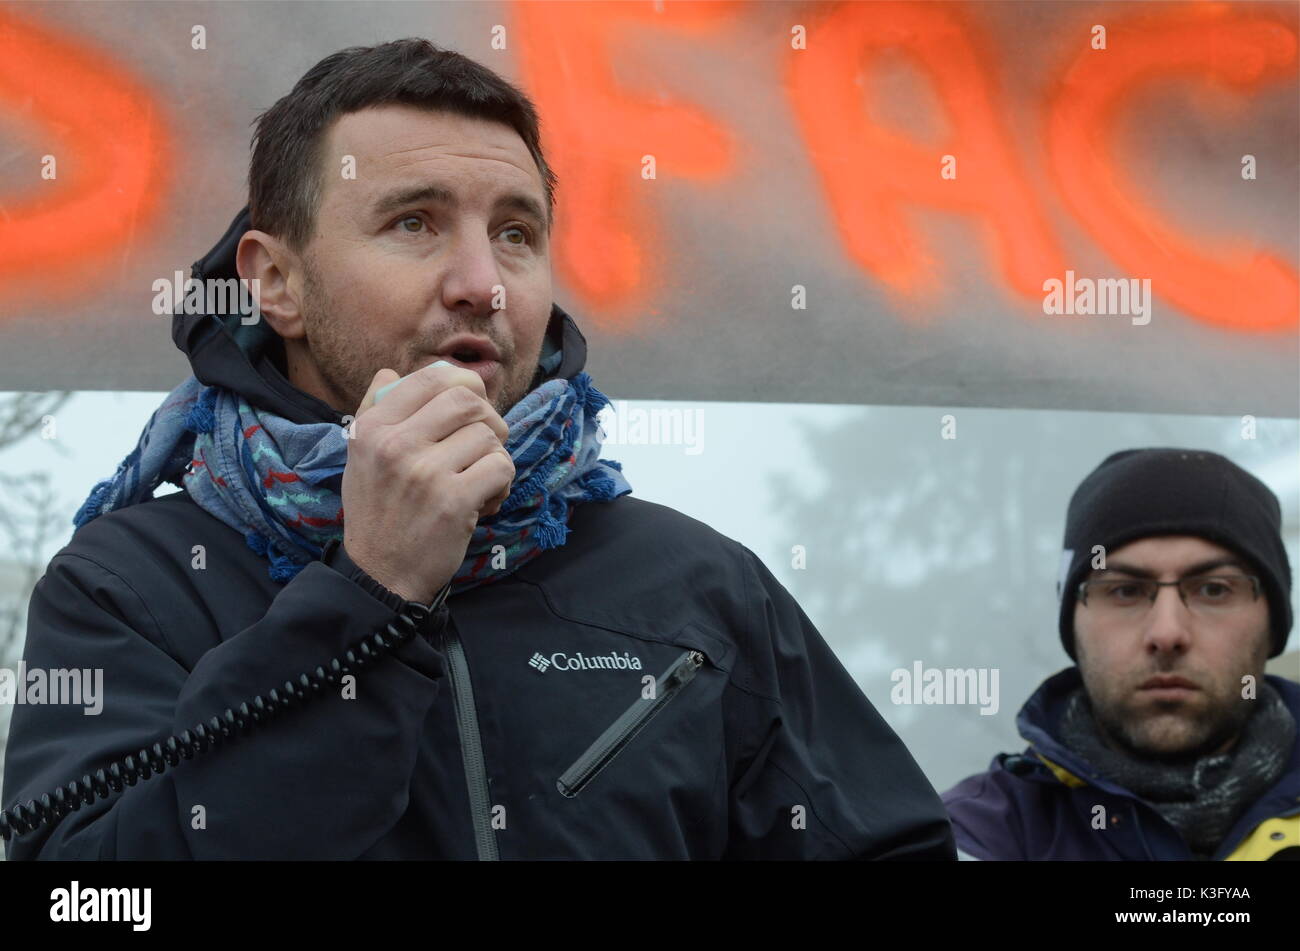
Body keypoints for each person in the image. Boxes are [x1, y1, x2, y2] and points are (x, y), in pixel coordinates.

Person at [1, 39, 953, 860]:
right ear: (276, 282)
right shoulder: (128, 585)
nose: (481, 284)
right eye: (414, 223)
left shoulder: (699, 588)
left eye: (516, 234)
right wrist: (365, 599)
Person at [943, 448, 1298, 860]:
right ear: (1072, 627)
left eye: (1213, 589)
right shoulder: (977, 837)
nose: (1167, 633)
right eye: (1125, 591)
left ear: (1273, 623)